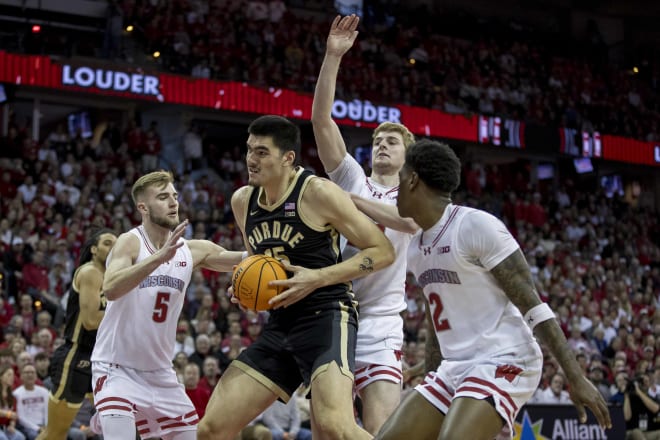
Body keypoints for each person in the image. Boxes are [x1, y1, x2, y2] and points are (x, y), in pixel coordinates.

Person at [350, 139, 611, 439]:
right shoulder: (417, 248)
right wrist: (430, 374)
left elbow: (533, 305)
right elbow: (439, 321)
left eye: (401, 174)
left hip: (506, 356)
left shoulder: (475, 226)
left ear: (412, 179)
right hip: (456, 366)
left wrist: (574, 377)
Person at [197, 115, 395, 440]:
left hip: (327, 316)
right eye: (249, 150)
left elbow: (383, 250)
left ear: (288, 157)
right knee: (211, 429)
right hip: (279, 325)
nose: (251, 159)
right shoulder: (243, 201)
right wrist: (247, 290)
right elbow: (260, 263)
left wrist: (317, 277)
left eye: (262, 152)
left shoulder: (318, 192)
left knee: (335, 428)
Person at [310, 14, 414, 434]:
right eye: (376, 141)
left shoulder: (413, 196)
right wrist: (332, 58)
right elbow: (321, 122)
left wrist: (345, 202)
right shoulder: (354, 176)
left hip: (381, 323)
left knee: (382, 428)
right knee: (328, 432)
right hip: (334, 313)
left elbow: (407, 223)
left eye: (390, 141)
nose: (381, 145)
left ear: (408, 155)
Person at [89, 170, 244, 440]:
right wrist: (159, 258)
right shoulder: (130, 242)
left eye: (174, 196)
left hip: (160, 373)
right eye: (163, 197)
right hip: (116, 369)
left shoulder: (191, 249)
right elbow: (111, 288)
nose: (173, 202)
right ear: (143, 207)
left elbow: (243, 258)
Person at [36, 228, 117, 440]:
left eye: (116, 243)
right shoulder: (90, 272)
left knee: (118, 428)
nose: (114, 247)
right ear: (93, 249)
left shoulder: (113, 278)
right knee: (55, 434)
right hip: (76, 356)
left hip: (100, 358)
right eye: (107, 243)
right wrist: (123, 314)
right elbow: (90, 321)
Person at [12, 364, 49, 440]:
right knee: (36, 436)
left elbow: (48, 411)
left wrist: (46, 426)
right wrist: (37, 428)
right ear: (21, 376)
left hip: (44, 425)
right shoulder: (16, 394)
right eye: (27, 372)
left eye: (32, 372)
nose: (30, 375)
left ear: (36, 376)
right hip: (27, 427)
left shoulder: (44, 392)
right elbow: (21, 418)